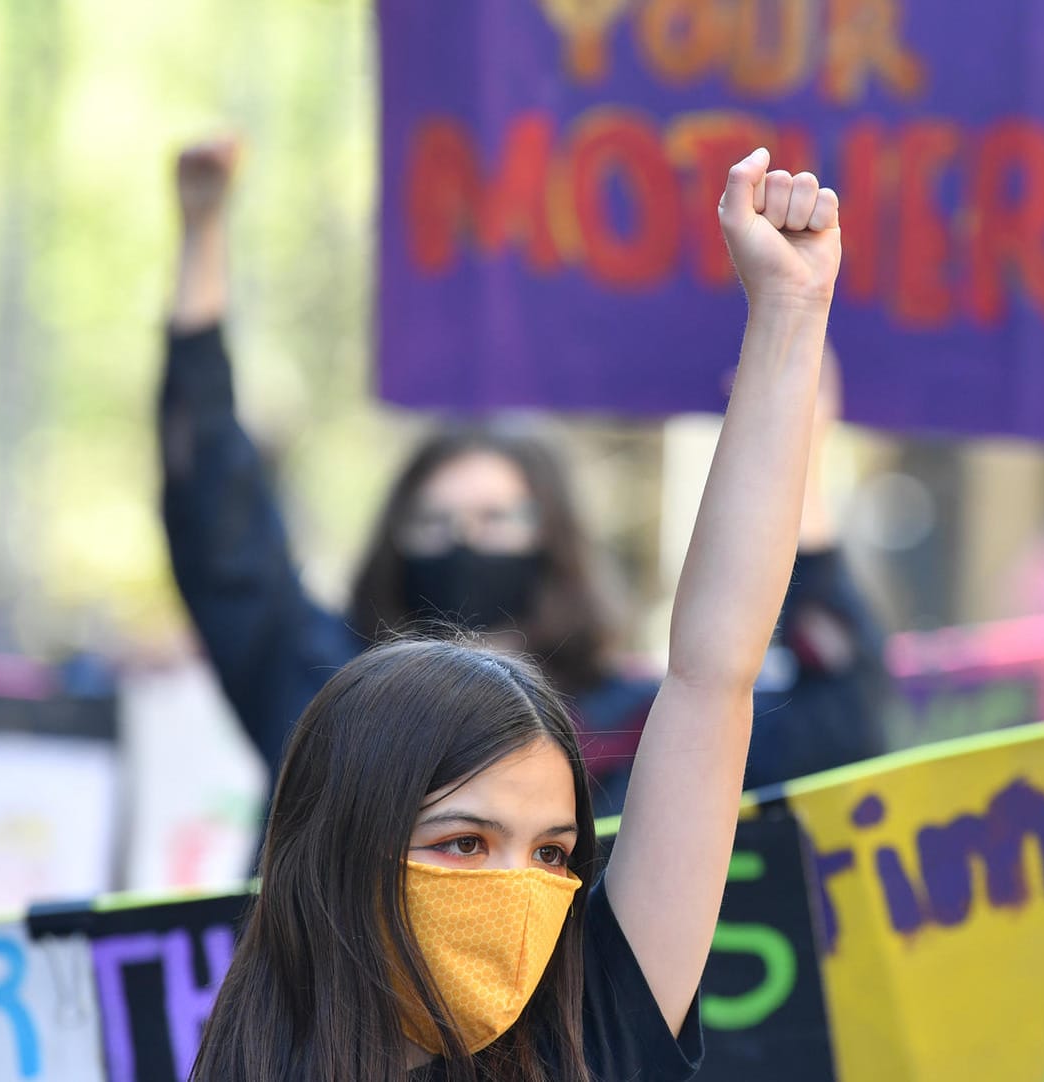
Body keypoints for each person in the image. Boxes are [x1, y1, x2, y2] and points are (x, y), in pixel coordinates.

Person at [190, 147, 840, 1080]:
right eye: (463, 842)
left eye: (552, 855)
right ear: (345, 839)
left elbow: (711, 675)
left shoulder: (591, 1034)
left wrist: (790, 313)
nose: (515, 893)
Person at [161, 138, 890, 808]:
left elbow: (837, 724)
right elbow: (220, 534)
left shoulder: (634, 735)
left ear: (553, 543)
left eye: (496, 521)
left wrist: (801, 456)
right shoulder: (322, 698)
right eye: (436, 524)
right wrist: (203, 238)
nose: (465, 545)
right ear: (395, 541)